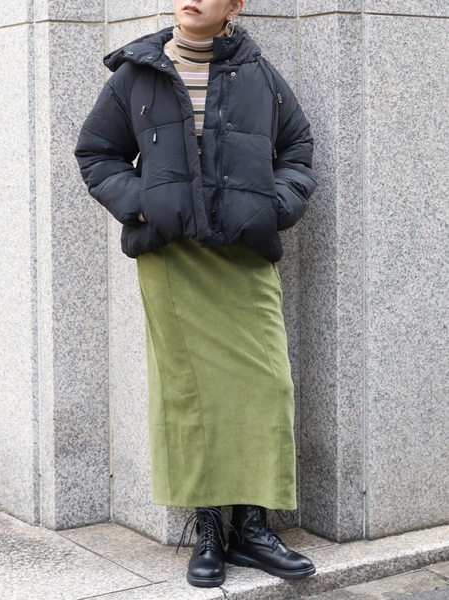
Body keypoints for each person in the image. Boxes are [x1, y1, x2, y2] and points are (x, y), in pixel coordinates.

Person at [75, 0, 317, 589]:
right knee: (190, 396)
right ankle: (209, 528)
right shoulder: (138, 73)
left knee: (266, 385)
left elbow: (298, 150)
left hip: (243, 254)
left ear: (235, 6)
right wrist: (144, 203)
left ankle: (252, 529)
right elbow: (97, 153)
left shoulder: (258, 72)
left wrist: (271, 207)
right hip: (173, 258)